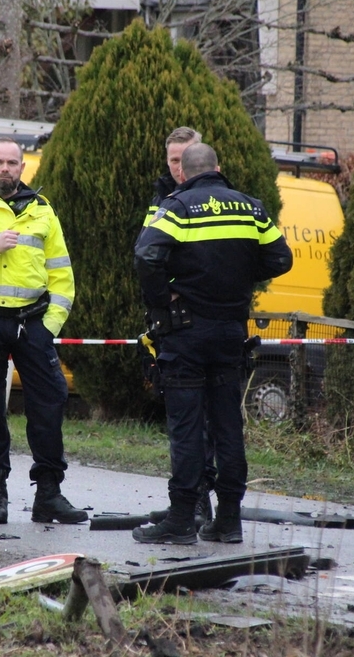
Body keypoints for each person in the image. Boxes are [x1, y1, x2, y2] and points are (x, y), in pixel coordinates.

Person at [132, 143, 293, 545]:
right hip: (230, 334)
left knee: (186, 428)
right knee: (227, 427)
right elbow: (280, 259)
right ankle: (229, 520)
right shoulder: (250, 208)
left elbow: (146, 255)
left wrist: (163, 298)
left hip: (187, 333)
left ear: (183, 173)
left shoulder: (179, 206)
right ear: (219, 169)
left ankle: (182, 520)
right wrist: (237, 277)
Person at [0, 137, 85, 525]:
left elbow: (62, 275)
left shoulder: (43, 210)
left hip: (33, 323)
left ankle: (49, 493)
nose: (5, 168)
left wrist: (50, 327)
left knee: (51, 402)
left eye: (12, 162)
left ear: (23, 168)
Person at [143, 126, 216, 529]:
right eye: (173, 159)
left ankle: (199, 505)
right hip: (171, 325)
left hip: (202, 323)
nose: (180, 167)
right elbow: (146, 255)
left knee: (204, 424)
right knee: (183, 422)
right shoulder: (161, 200)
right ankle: (187, 504)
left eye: (186, 158)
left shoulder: (215, 199)